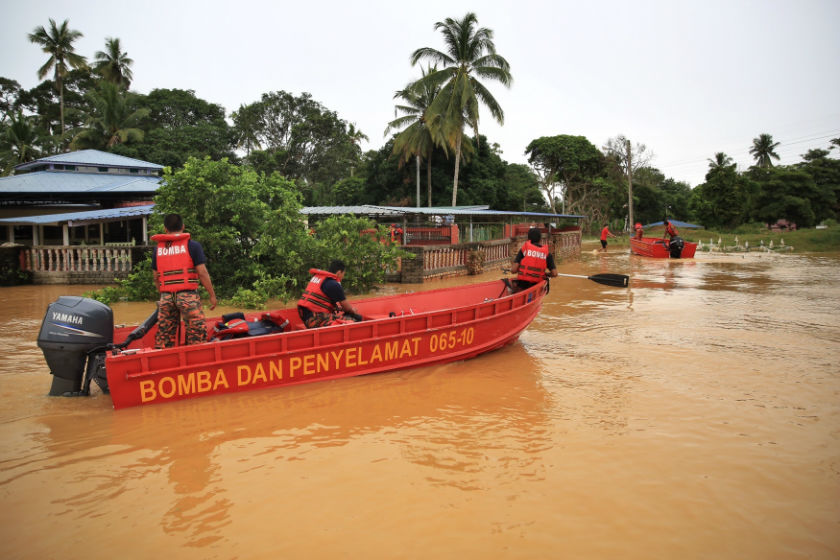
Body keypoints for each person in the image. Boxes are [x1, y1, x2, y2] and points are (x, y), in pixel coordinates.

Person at [151, 213, 217, 348]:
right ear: (183, 226)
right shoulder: (192, 246)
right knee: (196, 333)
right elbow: (203, 273)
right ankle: (196, 361)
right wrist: (212, 295)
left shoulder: (158, 249)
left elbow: (156, 277)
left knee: (164, 335)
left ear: (165, 229)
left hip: (166, 297)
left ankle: (163, 361)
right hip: (188, 296)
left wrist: (163, 295)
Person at [297, 260, 363, 328]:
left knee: (344, 315)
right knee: (356, 319)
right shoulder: (334, 284)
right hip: (315, 317)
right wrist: (353, 310)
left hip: (306, 315)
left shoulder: (321, 278)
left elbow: (336, 304)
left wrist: (340, 309)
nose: (343, 277)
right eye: (344, 274)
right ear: (339, 272)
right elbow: (347, 308)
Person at [510, 228, 558, 292]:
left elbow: (513, 270)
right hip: (536, 286)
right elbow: (554, 273)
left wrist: (522, 270)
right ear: (540, 239)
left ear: (528, 239)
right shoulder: (547, 254)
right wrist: (546, 274)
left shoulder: (524, 250)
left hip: (522, 285)